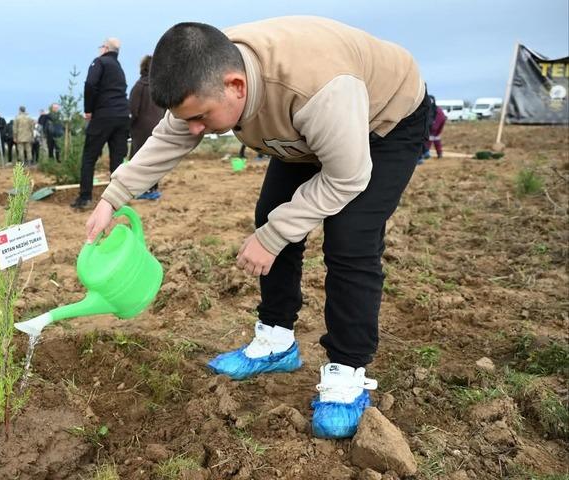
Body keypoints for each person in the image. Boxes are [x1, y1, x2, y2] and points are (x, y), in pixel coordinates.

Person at [83, 18, 428, 439]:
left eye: (200, 117)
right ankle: (277, 341)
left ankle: (347, 371)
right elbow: (169, 138)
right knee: (273, 213)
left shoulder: (318, 90)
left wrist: (272, 238)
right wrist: (110, 199)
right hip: (304, 127)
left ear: (236, 86)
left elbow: (345, 178)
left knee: (350, 237)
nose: (195, 129)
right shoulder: (206, 75)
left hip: (383, 122)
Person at [71, 37, 130, 210]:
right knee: (117, 160)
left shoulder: (99, 62)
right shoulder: (119, 68)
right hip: (122, 116)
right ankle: (116, 200)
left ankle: (85, 197)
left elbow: (90, 84)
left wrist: (88, 109)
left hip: (104, 116)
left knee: (89, 157)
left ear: (105, 48)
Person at [129, 55, 165, 201]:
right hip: (157, 127)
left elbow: (133, 110)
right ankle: (153, 189)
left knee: (138, 159)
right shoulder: (160, 88)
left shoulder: (139, 86)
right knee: (154, 160)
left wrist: (130, 126)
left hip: (141, 129)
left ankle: (139, 190)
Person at [423, 95, 446, 161]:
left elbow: (442, 119)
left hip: (433, 130)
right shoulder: (428, 109)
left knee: (432, 142)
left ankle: (438, 154)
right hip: (430, 130)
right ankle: (427, 154)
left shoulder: (437, 111)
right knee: (429, 142)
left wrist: (435, 128)